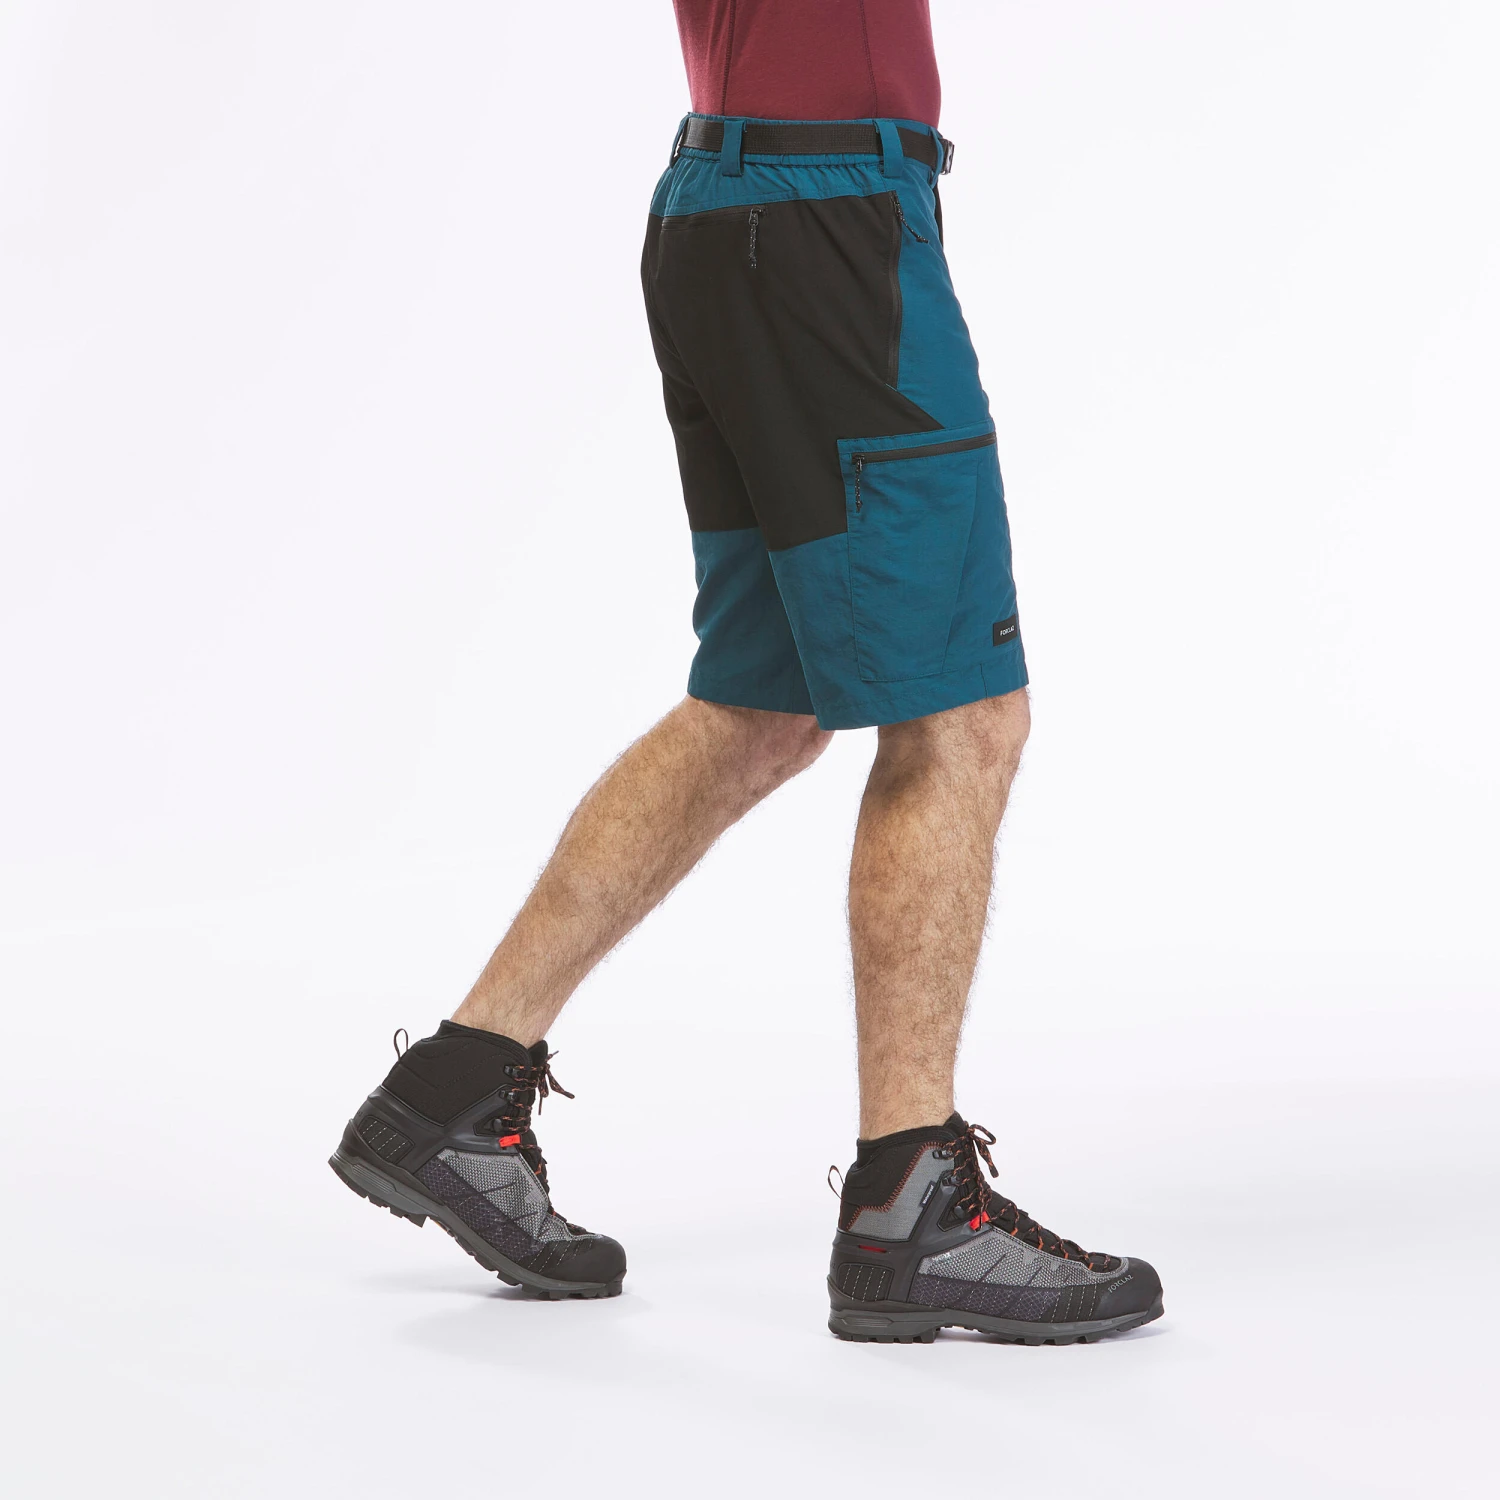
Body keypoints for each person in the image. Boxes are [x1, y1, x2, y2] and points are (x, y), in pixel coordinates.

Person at [329, 0, 1163, 1344]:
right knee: (962, 715)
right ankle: (911, 1209)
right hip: (829, 230)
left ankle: (449, 1095)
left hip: (735, 213)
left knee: (760, 709)